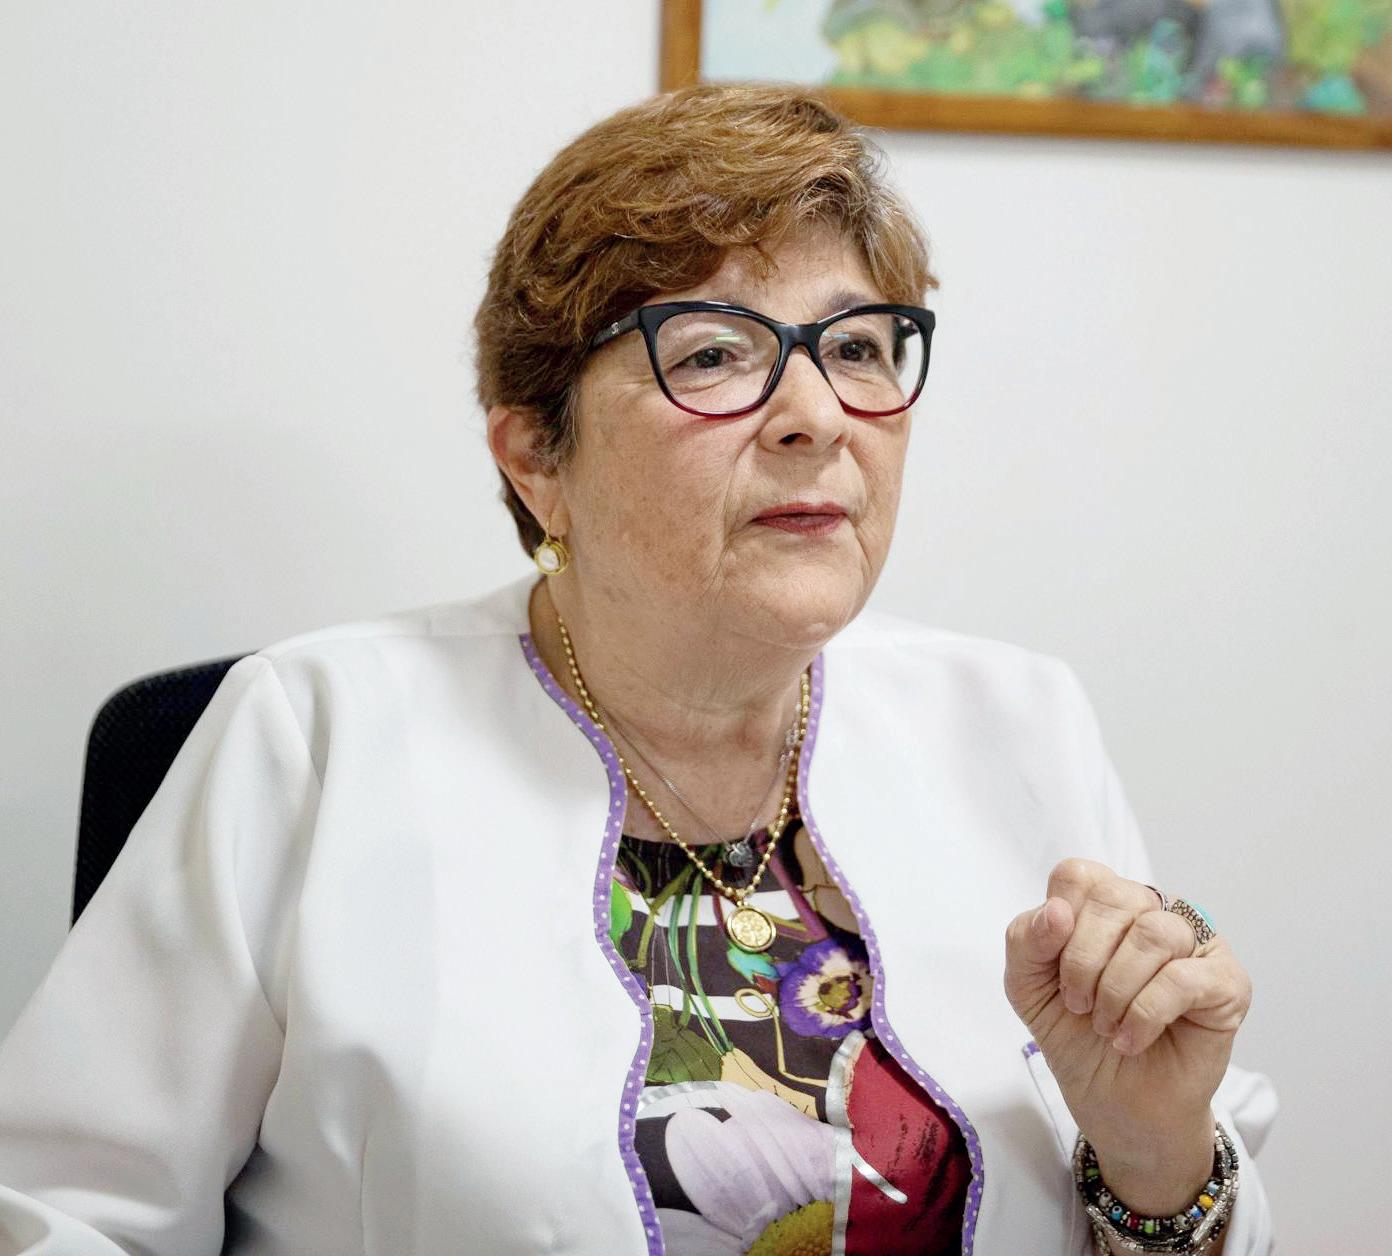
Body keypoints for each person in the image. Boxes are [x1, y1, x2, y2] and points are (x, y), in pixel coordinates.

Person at [0, 84, 1275, 1254]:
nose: (816, 414)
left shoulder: (1018, 720)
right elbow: (64, 1217)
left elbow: (1174, 1211)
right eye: (713, 352)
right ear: (535, 457)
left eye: (856, 347)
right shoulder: (309, 736)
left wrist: (1155, 1148)